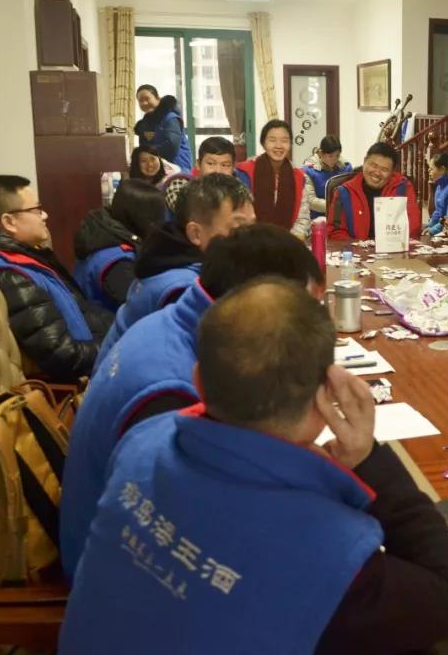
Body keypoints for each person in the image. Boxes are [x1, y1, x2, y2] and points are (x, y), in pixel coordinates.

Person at [59, 278, 448, 654]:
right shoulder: (330, 553)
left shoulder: (142, 440)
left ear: (198, 381)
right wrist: (368, 458)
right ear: (323, 402)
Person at [61, 224, 322, 578]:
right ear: (259, 306)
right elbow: (204, 525)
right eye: (304, 314)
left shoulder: (176, 324)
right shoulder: (172, 390)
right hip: (116, 576)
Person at [0, 175, 113, 381]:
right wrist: (116, 344)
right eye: (37, 209)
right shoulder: (10, 275)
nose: (45, 215)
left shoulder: (27, 256)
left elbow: (84, 311)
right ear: (9, 222)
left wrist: (122, 327)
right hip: (74, 382)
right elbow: (63, 355)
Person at [94, 174, 255, 368]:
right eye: (238, 228)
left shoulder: (165, 257)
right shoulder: (182, 289)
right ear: (195, 233)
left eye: (253, 226)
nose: (251, 238)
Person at [73, 179, 166, 311]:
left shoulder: (102, 233)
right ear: (142, 217)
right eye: (157, 218)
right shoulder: (118, 261)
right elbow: (138, 308)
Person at [328, 142, 420, 241]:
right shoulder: (345, 191)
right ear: (364, 162)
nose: (377, 173)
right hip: (355, 249)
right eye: (374, 166)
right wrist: (358, 247)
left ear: (392, 172)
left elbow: (413, 227)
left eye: (384, 169)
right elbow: (335, 231)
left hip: (393, 249)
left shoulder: (403, 188)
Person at [236, 119, 310, 239]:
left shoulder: (299, 176)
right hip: (250, 242)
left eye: (284, 141)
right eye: (272, 140)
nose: (278, 146)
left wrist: (290, 241)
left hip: (287, 242)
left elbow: (302, 219)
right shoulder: (244, 172)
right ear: (263, 143)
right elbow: (238, 215)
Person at [134, 84, 192, 171]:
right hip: (159, 169)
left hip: (178, 169)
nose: (144, 103)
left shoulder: (171, 118)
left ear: (158, 99)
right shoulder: (146, 124)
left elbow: (171, 147)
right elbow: (144, 147)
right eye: (140, 101)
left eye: (147, 99)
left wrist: (148, 152)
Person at [302, 135, 352, 219]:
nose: (334, 159)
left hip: (342, 217)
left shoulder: (346, 167)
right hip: (317, 219)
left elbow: (351, 192)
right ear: (321, 153)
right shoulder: (308, 171)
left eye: (337, 155)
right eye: (330, 156)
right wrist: (336, 206)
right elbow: (311, 201)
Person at [423, 153, 448, 236]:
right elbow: (437, 213)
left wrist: (432, 230)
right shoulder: (439, 186)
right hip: (441, 227)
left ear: (442, 169)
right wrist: (428, 226)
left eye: (431, 168)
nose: (428, 171)